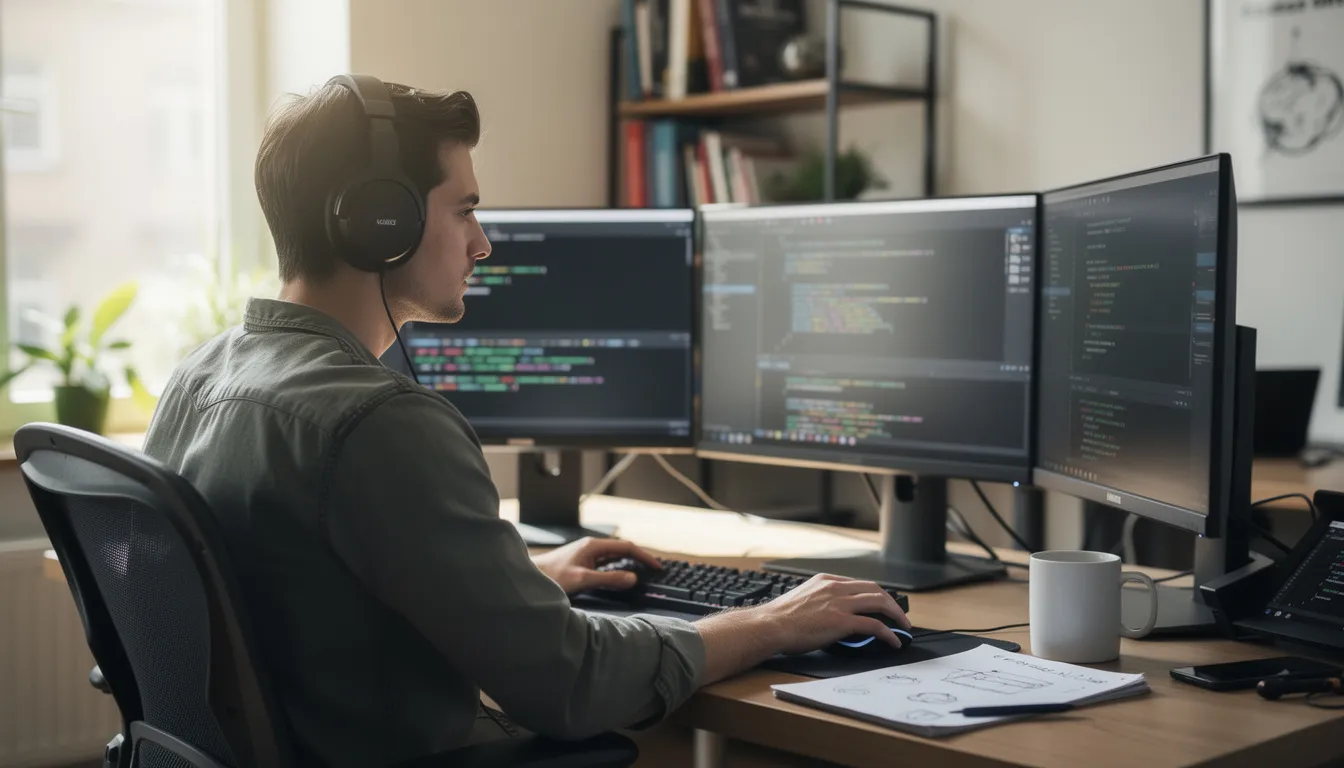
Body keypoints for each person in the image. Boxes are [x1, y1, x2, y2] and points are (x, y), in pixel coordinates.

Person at [144, 75, 909, 767]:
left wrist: (521, 581)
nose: (482, 243)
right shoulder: (382, 423)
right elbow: (572, 685)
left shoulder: (197, 376)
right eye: (465, 210)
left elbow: (301, 595)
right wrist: (772, 621)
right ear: (382, 222)